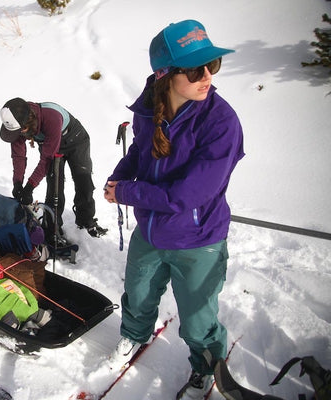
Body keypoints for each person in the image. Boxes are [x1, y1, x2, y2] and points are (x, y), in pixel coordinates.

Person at [103, 20, 244, 399]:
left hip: (198, 240)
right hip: (150, 232)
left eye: (212, 65)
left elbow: (186, 195)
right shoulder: (149, 110)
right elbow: (139, 152)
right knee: (138, 293)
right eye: (197, 69)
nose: (207, 78)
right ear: (164, 75)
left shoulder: (222, 123)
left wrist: (128, 193)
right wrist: (119, 178)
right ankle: (134, 337)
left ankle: (206, 367)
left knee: (199, 322)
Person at [0, 98, 107, 247]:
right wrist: (18, 183)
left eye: (20, 132)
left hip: (76, 141)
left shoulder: (51, 117)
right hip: (49, 143)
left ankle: (86, 220)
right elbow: (18, 156)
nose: (19, 135)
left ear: (27, 124)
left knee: (84, 183)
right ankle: (52, 230)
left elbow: (46, 159)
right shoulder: (15, 124)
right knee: (54, 189)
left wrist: (30, 186)